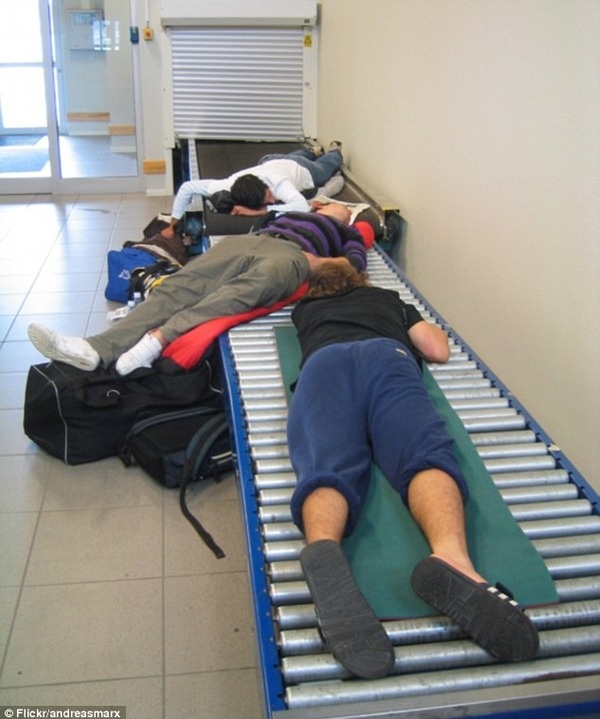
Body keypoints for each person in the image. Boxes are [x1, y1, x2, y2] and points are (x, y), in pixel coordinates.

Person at [286, 262, 540, 680]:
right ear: (360, 279)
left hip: (323, 364)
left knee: (326, 462)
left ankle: (325, 548)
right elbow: (437, 350)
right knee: (423, 452)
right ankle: (453, 558)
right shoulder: (387, 299)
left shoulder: (305, 311)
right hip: (387, 357)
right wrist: (417, 324)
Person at [27, 206, 367, 376]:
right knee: (179, 285)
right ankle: (95, 347)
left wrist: (317, 260)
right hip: (249, 241)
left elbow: (353, 264)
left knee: (241, 292)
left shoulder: (345, 232)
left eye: (342, 212)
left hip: (293, 256)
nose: (334, 211)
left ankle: (158, 339)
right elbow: (258, 218)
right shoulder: (291, 212)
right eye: (330, 208)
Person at [160, 143, 344, 238]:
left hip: (302, 169)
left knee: (328, 167)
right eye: (266, 201)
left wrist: (263, 210)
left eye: (269, 196)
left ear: (266, 186)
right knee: (292, 157)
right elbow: (187, 187)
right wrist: (173, 225)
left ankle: (334, 149)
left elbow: (302, 206)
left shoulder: (279, 184)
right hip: (271, 160)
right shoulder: (228, 184)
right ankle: (311, 151)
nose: (272, 200)